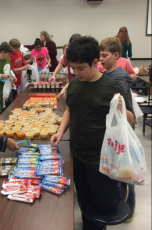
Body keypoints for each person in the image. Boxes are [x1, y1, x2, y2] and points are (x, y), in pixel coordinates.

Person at [50, 36, 134, 230]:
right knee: (85, 199)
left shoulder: (111, 87)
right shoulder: (74, 85)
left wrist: (122, 109)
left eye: (81, 68)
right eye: (73, 68)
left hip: (102, 158)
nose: (76, 72)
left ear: (95, 62)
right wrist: (60, 132)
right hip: (78, 154)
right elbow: (70, 110)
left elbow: (130, 121)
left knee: (103, 203)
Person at [99, 37, 135, 222]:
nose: (101, 59)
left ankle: (129, 207)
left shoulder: (119, 78)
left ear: (116, 55)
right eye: (99, 56)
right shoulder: (109, 74)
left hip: (122, 128)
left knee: (125, 170)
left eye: (104, 55)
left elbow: (121, 107)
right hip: (116, 127)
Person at [0, 42, 17, 123]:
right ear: (2, 52)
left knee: (9, 105)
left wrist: (13, 75)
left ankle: (9, 122)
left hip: (8, 87)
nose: (9, 56)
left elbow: (10, 70)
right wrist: (1, 75)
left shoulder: (8, 59)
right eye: (8, 54)